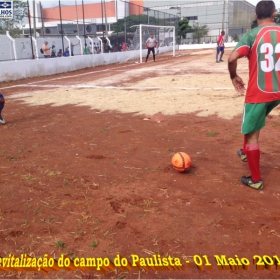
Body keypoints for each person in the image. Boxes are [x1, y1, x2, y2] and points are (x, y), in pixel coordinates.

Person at [228, 0, 280, 190]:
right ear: (274, 14)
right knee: (251, 122)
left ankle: (255, 180)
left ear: (255, 15)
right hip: (278, 91)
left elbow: (232, 57)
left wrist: (233, 76)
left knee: (251, 132)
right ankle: (244, 152)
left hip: (260, 92)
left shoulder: (252, 35)